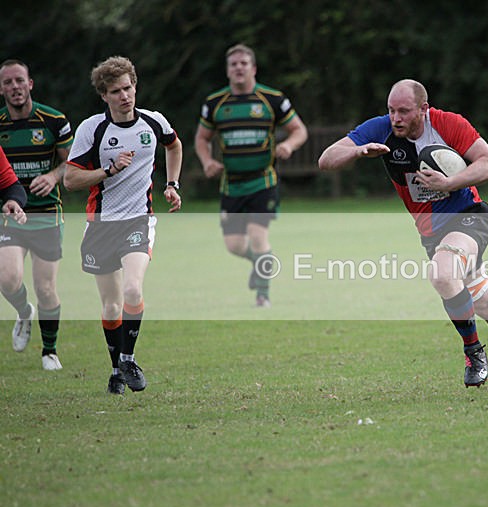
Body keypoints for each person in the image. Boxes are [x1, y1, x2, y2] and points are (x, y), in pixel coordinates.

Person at [318, 79, 488, 396]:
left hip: (469, 217)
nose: (396, 118)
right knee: (485, 303)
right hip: (431, 232)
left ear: (423, 109)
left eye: (403, 111)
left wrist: (451, 182)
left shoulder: (448, 124)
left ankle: (473, 353)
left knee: (443, 274)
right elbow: (326, 159)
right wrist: (357, 151)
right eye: (391, 111)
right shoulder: (382, 130)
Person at [64, 56, 182, 394]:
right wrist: (108, 171)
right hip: (101, 224)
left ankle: (127, 359)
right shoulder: (93, 129)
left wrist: (172, 184)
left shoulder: (153, 122)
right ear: (104, 95)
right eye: (116, 91)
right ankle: (116, 368)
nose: (125, 96)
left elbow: (174, 146)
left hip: (139, 219)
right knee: (111, 305)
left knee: (133, 289)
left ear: (135, 86)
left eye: (128, 88)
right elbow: (71, 179)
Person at [194, 43, 308, 308]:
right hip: (231, 185)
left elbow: (299, 130)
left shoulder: (272, 99)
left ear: (253, 68)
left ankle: (263, 296)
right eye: (233, 64)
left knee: (258, 236)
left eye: (244, 63)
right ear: (227, 71)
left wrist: (288, 145)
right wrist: (207, 160)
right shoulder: (215, 103)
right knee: (234, 245)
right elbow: (201, 138)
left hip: (263, 180)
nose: (239, 68)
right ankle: (262, 261)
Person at [0, 59, 73, 370]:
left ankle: (49, 351)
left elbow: (74, 163)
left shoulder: (53, 120)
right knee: (7, 278)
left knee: (46, 288)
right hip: (10, 214)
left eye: (20, 80)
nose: (15, 87)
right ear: (1, 89)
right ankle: (22, 310)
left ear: (30, 84)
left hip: (45, 214)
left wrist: (54, 176)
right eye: (8, 82)